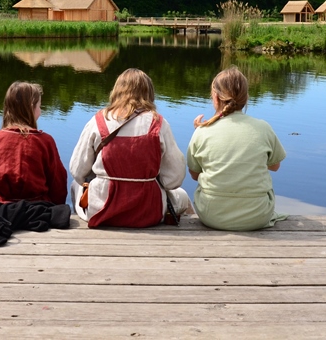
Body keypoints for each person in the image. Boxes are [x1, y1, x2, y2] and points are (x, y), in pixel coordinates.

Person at [69, 68, 191, 228]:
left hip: (102, 211)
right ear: (149, 93)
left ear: (117, 91)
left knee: (75, 185)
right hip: (148, 212)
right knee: (183, 196)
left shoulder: (98, 121)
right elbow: (174, 178)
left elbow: (78, 171)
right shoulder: (158, 124)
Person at [186, 66, 288, 231]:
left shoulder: (202, 131)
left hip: (212, 215)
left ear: (215, 97)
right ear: (246, 98)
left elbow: (194, 174)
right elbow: (275, 166)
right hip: (257, 216)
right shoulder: (263, 128)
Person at [0, 81, 68, 205]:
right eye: (39, 106)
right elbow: (58, 184)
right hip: (36, 207)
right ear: (31, 108)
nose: (40, 111)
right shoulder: (45, 141)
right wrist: (57, 207)